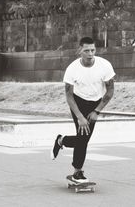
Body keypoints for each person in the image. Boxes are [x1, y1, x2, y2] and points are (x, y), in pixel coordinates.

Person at [51, 37, 115, 183]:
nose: (90, 53)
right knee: (83, 136)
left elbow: (110, 91)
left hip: (95, 103)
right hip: (78, 102)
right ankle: (77, 172)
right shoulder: (72, 69)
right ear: (79, 50)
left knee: (83, 138)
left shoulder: (104, 66)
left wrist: (97, 111)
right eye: (86, 50)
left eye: (93, 50)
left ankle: (61, 140)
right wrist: (80, 116)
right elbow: (69, 96)